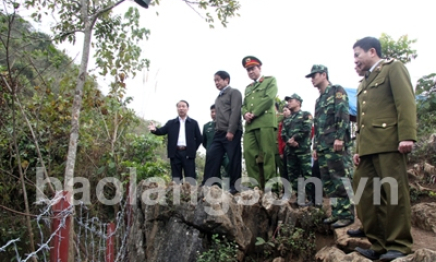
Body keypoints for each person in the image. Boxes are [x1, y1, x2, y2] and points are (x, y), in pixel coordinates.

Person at [352, 37, 416, 261]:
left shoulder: (393, 68)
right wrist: (358, 149)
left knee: (394, 193)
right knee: (366, 195)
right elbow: (361, 121)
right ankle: (378, 244)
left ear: (372, 51)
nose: (355, 60)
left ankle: (399, 244)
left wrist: (407, 136)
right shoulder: (364, 83)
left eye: (357, 54)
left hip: (390, 143)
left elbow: (405, 102)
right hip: (367, 148)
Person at [306, 64, 354, 228]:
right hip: (323, 147)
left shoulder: (336, 91)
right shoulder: (319, 100)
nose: (312, 79)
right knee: (328, 182)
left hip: (336, 144)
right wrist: (315, 148)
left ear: (324, 74)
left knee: (340, 179)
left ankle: (347, 214)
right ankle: (336, 212)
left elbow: (343, 114)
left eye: (314, 75)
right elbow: (317, 126)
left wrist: (340, 138)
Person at [241, 56, 278, 190]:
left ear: (259, 68)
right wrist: (245, 113)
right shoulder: (248, 88)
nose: (250, 72)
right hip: (250, 125)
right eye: (248, 70)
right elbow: (244, 105)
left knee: (268, 155)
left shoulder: (270, 80)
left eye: (253, 68)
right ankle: (254, 187)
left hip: (265, 122)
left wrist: (254, 112)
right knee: (249, 154)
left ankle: (271, 188)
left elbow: (269, 99)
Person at [203, 71, 243, 194]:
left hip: (232, 131)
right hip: (219, 133)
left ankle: (235, 186)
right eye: (215, 80)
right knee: (211, 155)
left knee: (233, 159)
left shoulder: (234, 92)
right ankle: (207, 183)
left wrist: (231, 130)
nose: (216, 82)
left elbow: (236, 111)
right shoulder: (218, 98)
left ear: (227, 80)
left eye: (219, 79)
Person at [148, 100, 202, 183]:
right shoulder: (171, 123)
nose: (181, 108)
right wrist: (155, 130)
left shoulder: (193, 123)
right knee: (176, 178)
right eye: (179, 106)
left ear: (187, 108)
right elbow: (162, 131)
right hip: (175, 153)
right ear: (177, 109)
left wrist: (192, 149)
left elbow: (199, 138)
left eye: (183, 106)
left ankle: (191, 195)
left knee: (190, 177)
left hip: (188, 153)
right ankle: (177, 195)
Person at [281, 94, 314, 205]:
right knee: (294, 177)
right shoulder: (287, 119)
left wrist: (295, 139)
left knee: (307, 175)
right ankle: (300, 199)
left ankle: (312, 199)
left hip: (302, 150)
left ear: (299, 102)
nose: (289, 102)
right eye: (288, 101)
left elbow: (307, 129)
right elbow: (283, 133)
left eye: (291, 100)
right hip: (290, 152)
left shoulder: (306, 114)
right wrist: (289, 141)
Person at [202, 104, 230, 178]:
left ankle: (233, 186)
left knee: (231, 166)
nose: (214, 114)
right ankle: (217, 188)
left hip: (225, 154)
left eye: (216, 112)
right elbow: (204, 142)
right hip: (212, 155)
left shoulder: (227, 125)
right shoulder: (207, 126)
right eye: (212, 112)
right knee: (214, 175)